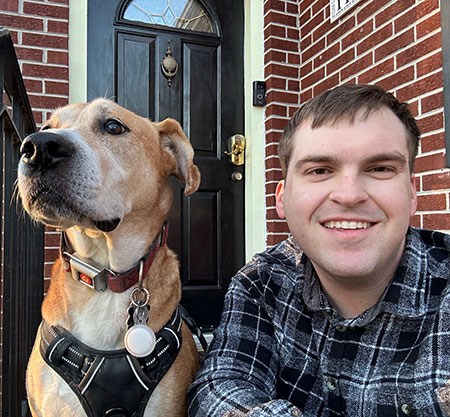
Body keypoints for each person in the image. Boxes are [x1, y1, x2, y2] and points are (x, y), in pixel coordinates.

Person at [188, 84, 450, 417]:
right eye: (320, 170)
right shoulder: (261, 284)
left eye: (380, 168)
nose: (349, 195)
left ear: (412, 193)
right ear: (281, 197)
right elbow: (219, 388)